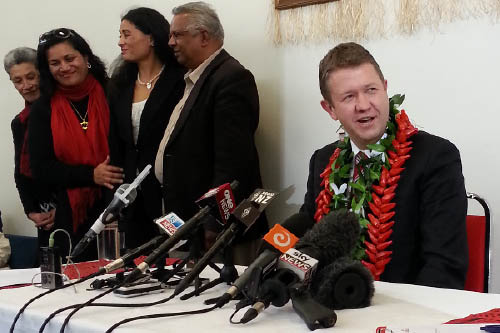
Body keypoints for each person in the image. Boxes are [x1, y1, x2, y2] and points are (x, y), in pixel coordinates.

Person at [301, 42, 468, 289]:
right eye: (348, 96)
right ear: (330, 109)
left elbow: (443, 268)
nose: (364, 105)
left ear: (385, 89)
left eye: (371, 90)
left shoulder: (435, 157)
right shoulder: (322, 161)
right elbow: (304, 244)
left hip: (400, 313)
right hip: (329, 306)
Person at [154, 2, 267, 265]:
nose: (170, 42)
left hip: (218, 230)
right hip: (192, 225)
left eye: (177, 35)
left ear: (203, 36)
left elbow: (233, 162)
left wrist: (214, 222)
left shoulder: (231, 78)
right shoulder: (197, 78)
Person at [29, 28, 124, 261]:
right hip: (73, 218)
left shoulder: (114, 92)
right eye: (55, 63)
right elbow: (41, 168)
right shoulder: (43, 108)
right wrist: (91, 175)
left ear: (86, 57)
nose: (64, 67)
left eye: (69, 58)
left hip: (121, 207)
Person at [108, 7, 185, 249]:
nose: (120, 42)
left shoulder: (180, 80)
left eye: (127, 34)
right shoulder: (120, 84)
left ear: (151, 37)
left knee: (172, 262)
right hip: (132, 195)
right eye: (120, 35)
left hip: (169, 192)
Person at [4, 47, 56, 247]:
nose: (26, 86)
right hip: (42, 214)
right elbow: (20, 172)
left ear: (42, 74)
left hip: (73, 210)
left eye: (31, 77)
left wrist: (62, 209)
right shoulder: (19, 122)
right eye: (18, 81)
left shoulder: (61, 113)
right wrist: (31, 211)